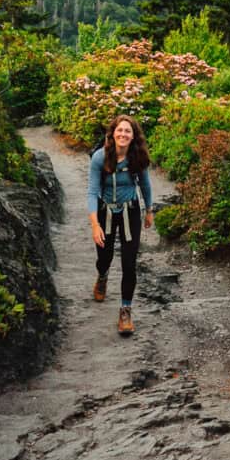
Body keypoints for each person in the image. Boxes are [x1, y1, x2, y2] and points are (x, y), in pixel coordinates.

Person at [87, 114, 154, 335]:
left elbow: (145, 185)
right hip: (105, 210)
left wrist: (149, 211)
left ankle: (126, 310)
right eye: (120, 130)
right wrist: (95, 225)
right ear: (112, 133)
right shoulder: (100, 157)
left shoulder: (137, 157)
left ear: (133, 136)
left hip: (130, 211)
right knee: (104, 256)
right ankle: (103, 276)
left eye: (128, 131)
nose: (123, 134)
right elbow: (92, 192)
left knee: (129, 262)